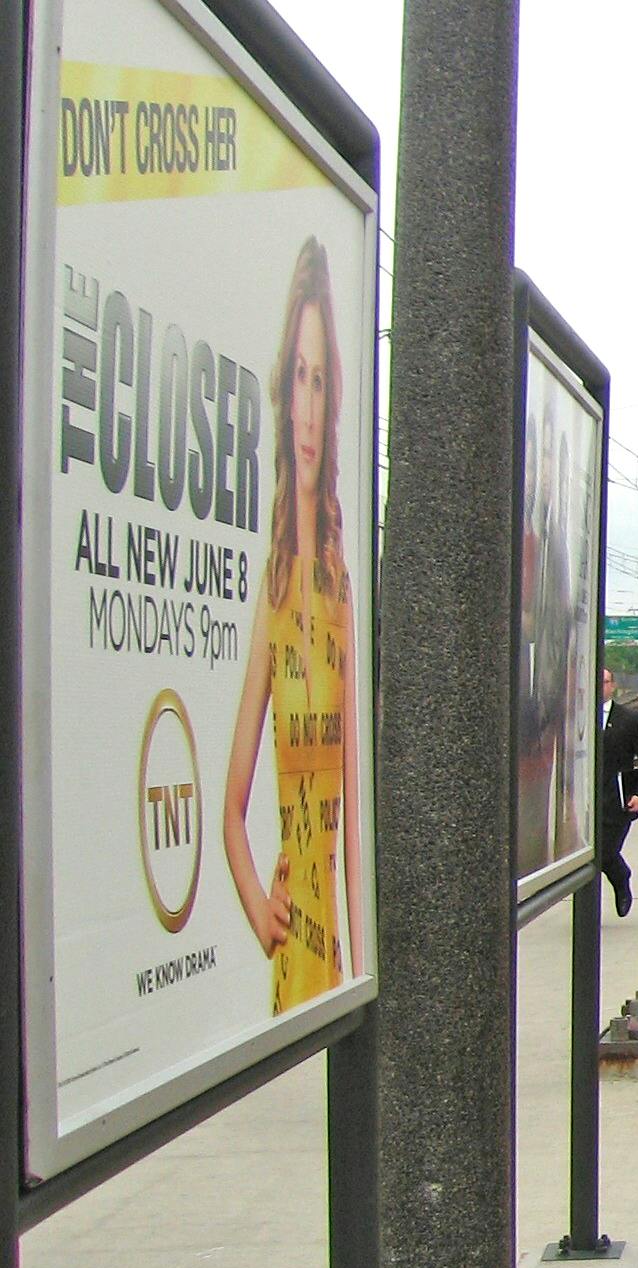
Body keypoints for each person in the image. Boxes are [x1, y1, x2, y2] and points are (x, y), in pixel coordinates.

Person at [221, 237, 365, 1013]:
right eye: (298, 380)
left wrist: (361, 965)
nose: (308, 408)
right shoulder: (274, 599)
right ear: (285, 398)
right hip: (289, 949)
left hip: (335, 955)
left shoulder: (339, 590)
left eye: (320, 382)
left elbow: (351, 836)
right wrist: (254, 901)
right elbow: (232, 809)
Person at [597, 668, 638, 916]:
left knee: (605, 852)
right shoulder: (576, 715)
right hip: (587, 798)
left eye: (604, 682)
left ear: (612, 686)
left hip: (617, 798)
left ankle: (621, 878)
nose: (599, 687)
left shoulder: (630, 719)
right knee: (590, 857)